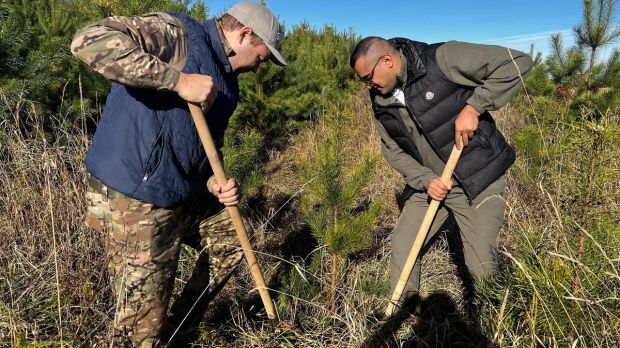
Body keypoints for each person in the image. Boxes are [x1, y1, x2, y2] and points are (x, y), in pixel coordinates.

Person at [71, 2, 286, 346]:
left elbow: (201, 151)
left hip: (178, 191)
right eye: (262, 56)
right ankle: (148, 332)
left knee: (231, 239)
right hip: (134, 196)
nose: (261, 67)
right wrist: (176, 80)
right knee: (139, 329)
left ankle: (178, 330)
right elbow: (89, 41)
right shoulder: (178, 35)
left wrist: (214, 182)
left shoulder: (228, 84)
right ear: (245, 34)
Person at [349, 37, 532, 316]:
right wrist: (425, 180)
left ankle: (496, 321)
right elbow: (394, 152)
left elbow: (517, 62)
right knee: (404, 243)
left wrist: (474, 107)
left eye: (368, 78)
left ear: (386, 61)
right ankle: (400, 313)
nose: (368, 86)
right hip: (432, 183)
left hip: (476, 177)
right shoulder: (380, 102)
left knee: (481, 263)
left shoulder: (442, 59)